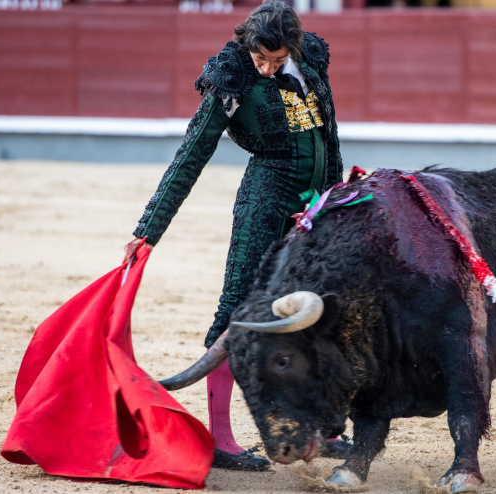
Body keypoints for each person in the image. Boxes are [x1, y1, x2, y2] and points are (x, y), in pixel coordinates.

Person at [123, 0, 346, 471]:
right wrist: (149, 229)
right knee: (238, 306)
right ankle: (221, 439)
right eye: (260, 59)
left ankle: (322, 427)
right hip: (265, 200)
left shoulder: (311, 58)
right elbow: (191, 155)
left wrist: (336, 194)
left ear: (294, 46)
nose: (266, 69)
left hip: (316, 202)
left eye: (276, 60)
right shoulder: (231, 75)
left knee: (320, 303)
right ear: (247, 43)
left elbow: (329, 133)